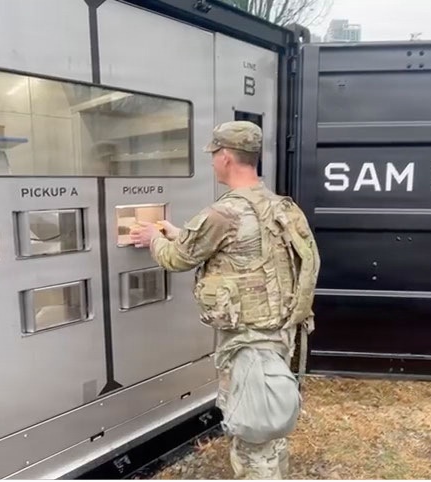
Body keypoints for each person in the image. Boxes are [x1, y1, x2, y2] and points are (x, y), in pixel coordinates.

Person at [129, 121, 320, 479]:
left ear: (227, 157)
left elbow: (177, 259)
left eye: (215, 155)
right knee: (270, 422)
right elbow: (241, 249)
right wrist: (175, 232)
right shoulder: (281, 206)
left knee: (252, 436)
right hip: (280, 334)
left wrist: (151, 238)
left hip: (248, 341)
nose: (213, 162)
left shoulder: (223, 213)